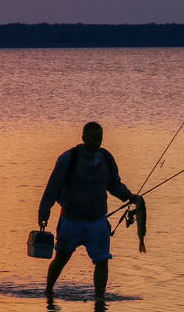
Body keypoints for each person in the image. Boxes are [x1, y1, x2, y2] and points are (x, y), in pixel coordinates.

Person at [38, 121, 140, 300]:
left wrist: (129, 196)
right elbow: (53, 187)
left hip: (98, 221)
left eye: (99, 139)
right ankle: (48, 291)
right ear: (83, 138)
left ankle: (100, 298)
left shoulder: (106, 158)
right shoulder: (69, 158)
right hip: (71, 220)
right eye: (92, 139)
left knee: (102, 260)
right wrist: (44, 212)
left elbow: (114, 185)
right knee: (61, 258)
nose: (95, 143)